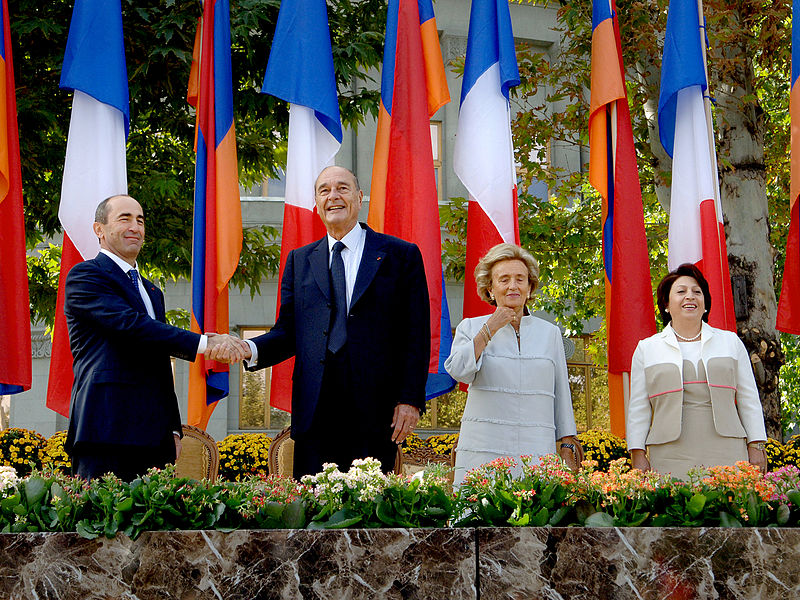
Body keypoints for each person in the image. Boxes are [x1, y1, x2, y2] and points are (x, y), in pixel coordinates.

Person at [228, 166, 430, 479]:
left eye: (342, 188)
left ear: (359, 197)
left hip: (376, 411)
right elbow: (287, 333)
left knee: (370, 514)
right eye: (324, 190)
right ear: (316, 203)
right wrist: (248, 348)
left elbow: (416, 334)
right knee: (313, 515)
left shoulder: (400, 255)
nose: (333, 196)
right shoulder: (300, 260)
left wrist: (410, 399)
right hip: (315, 411)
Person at [64, 194, 244, 481]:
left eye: (140, 220)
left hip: (153, 435)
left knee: (154, 524)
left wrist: (172, 427)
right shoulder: (85, 277)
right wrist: (205, 343)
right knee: (100, 522)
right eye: (124, 219)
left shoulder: (152, 292)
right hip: (105, 428)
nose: (135, 226)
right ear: (99, 229)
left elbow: (160, 361)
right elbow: (131, 326)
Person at [444, 243, 583, 485]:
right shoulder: (471, 327)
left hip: (537, 446)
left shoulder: (549, 333)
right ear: (490, 289)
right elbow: (458, 371)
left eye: (520, 279)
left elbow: (561, 391)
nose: (512, 286)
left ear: (530, 288)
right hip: (484, 448)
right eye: (504, 279)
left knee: (536, 515)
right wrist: (489, 329)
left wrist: (568, 442)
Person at [626, 263, 768, 479]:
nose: (690, 296)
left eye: (697, 292)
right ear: (666, 303)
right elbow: (638, 407)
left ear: (705, 304)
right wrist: (637, 452)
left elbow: (749, 399)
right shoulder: (647, 348)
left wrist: (756, 445)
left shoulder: (730, 342)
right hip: (668, 454)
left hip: (728, 451)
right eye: (681, 291)